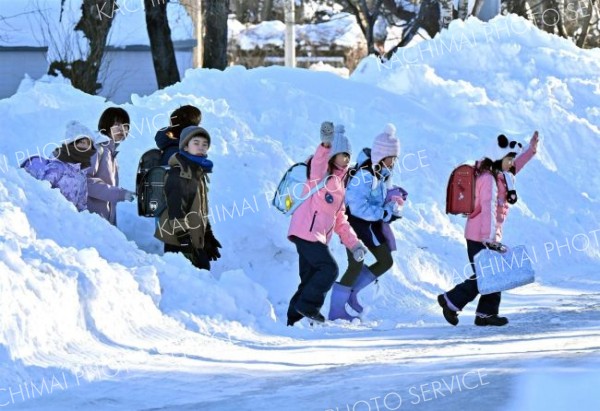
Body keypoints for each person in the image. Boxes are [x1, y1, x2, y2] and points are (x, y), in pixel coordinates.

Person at [438, 131, 539, 326]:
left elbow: (518, 165)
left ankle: (485, 313)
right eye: (508, 159)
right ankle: (451, 301)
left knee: (493, 274)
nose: (511, 163)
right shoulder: (488, 179)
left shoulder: (502, 175)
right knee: (487, 275)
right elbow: (488, 210)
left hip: (488, 235)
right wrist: (490, 238)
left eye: (511, 159)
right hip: (480, 236)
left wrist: (532, 149)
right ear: (498, 158)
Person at [286, 122, 367, 326]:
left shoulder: (340, 185)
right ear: (333, 155)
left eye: (349, 155)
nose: (347, 159)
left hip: (317, 236)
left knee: (309, 277)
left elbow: (340, 220)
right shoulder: (319, 175)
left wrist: (354, 244)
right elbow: (319, 162)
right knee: (329, 269)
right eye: (343, 154)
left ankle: (291, 321)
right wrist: (325, 144)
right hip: (306, 231)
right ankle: (309, 307)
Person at [328, 124, 404, 321]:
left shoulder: (381, 173)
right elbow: (356, 205)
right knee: (355, 265)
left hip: (368, 226)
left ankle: (352, 293)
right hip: (353, 226)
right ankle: (336, 310)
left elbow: (374, 199)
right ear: (381, 156)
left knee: (385, 260)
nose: (394, 161)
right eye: (392, 157)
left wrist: (392, 199)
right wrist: (383, 213)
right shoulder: (365, 175)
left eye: (395, 157)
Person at [154, 126, 222, 270]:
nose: (201, 147)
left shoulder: (197, 171)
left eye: (205, 144)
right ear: (185, 146)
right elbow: (176, 211)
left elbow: (199, 209)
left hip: (192, 236)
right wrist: (185, 242)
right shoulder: (179, 173)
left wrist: (208, 235)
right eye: (196, 143)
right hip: (178, 241)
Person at [22, 120, 104, 212]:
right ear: (72, 143)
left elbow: (81, 204)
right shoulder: (57, 167)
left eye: (88, 143)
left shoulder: (81, 174)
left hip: (68, 222)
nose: (86, 147)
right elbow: (42, 194)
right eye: (82, 142)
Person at [87, 107, 136, 225]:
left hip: (104, 220)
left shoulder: (110, 152)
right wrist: (120, 194)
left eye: (125, 126)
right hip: (91, 221)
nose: (122, 129)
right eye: (117, 124)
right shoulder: (97, 148)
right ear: (106, 124)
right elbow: (86, 183)